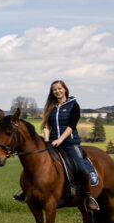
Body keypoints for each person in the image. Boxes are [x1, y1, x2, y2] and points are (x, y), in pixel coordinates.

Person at [36, 80, 99, 211]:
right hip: (52, 143)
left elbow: (72, 125)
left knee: (81, 169)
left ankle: (89, 197)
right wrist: (47, 141)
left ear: (65, 89)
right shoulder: (50, 106)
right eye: (54, 89)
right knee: (38, 166)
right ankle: (29, 193)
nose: (57, 91)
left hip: (70, 143)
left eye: (59, 88)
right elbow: (46, 125)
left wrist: (60, 139)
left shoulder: (73, 105)